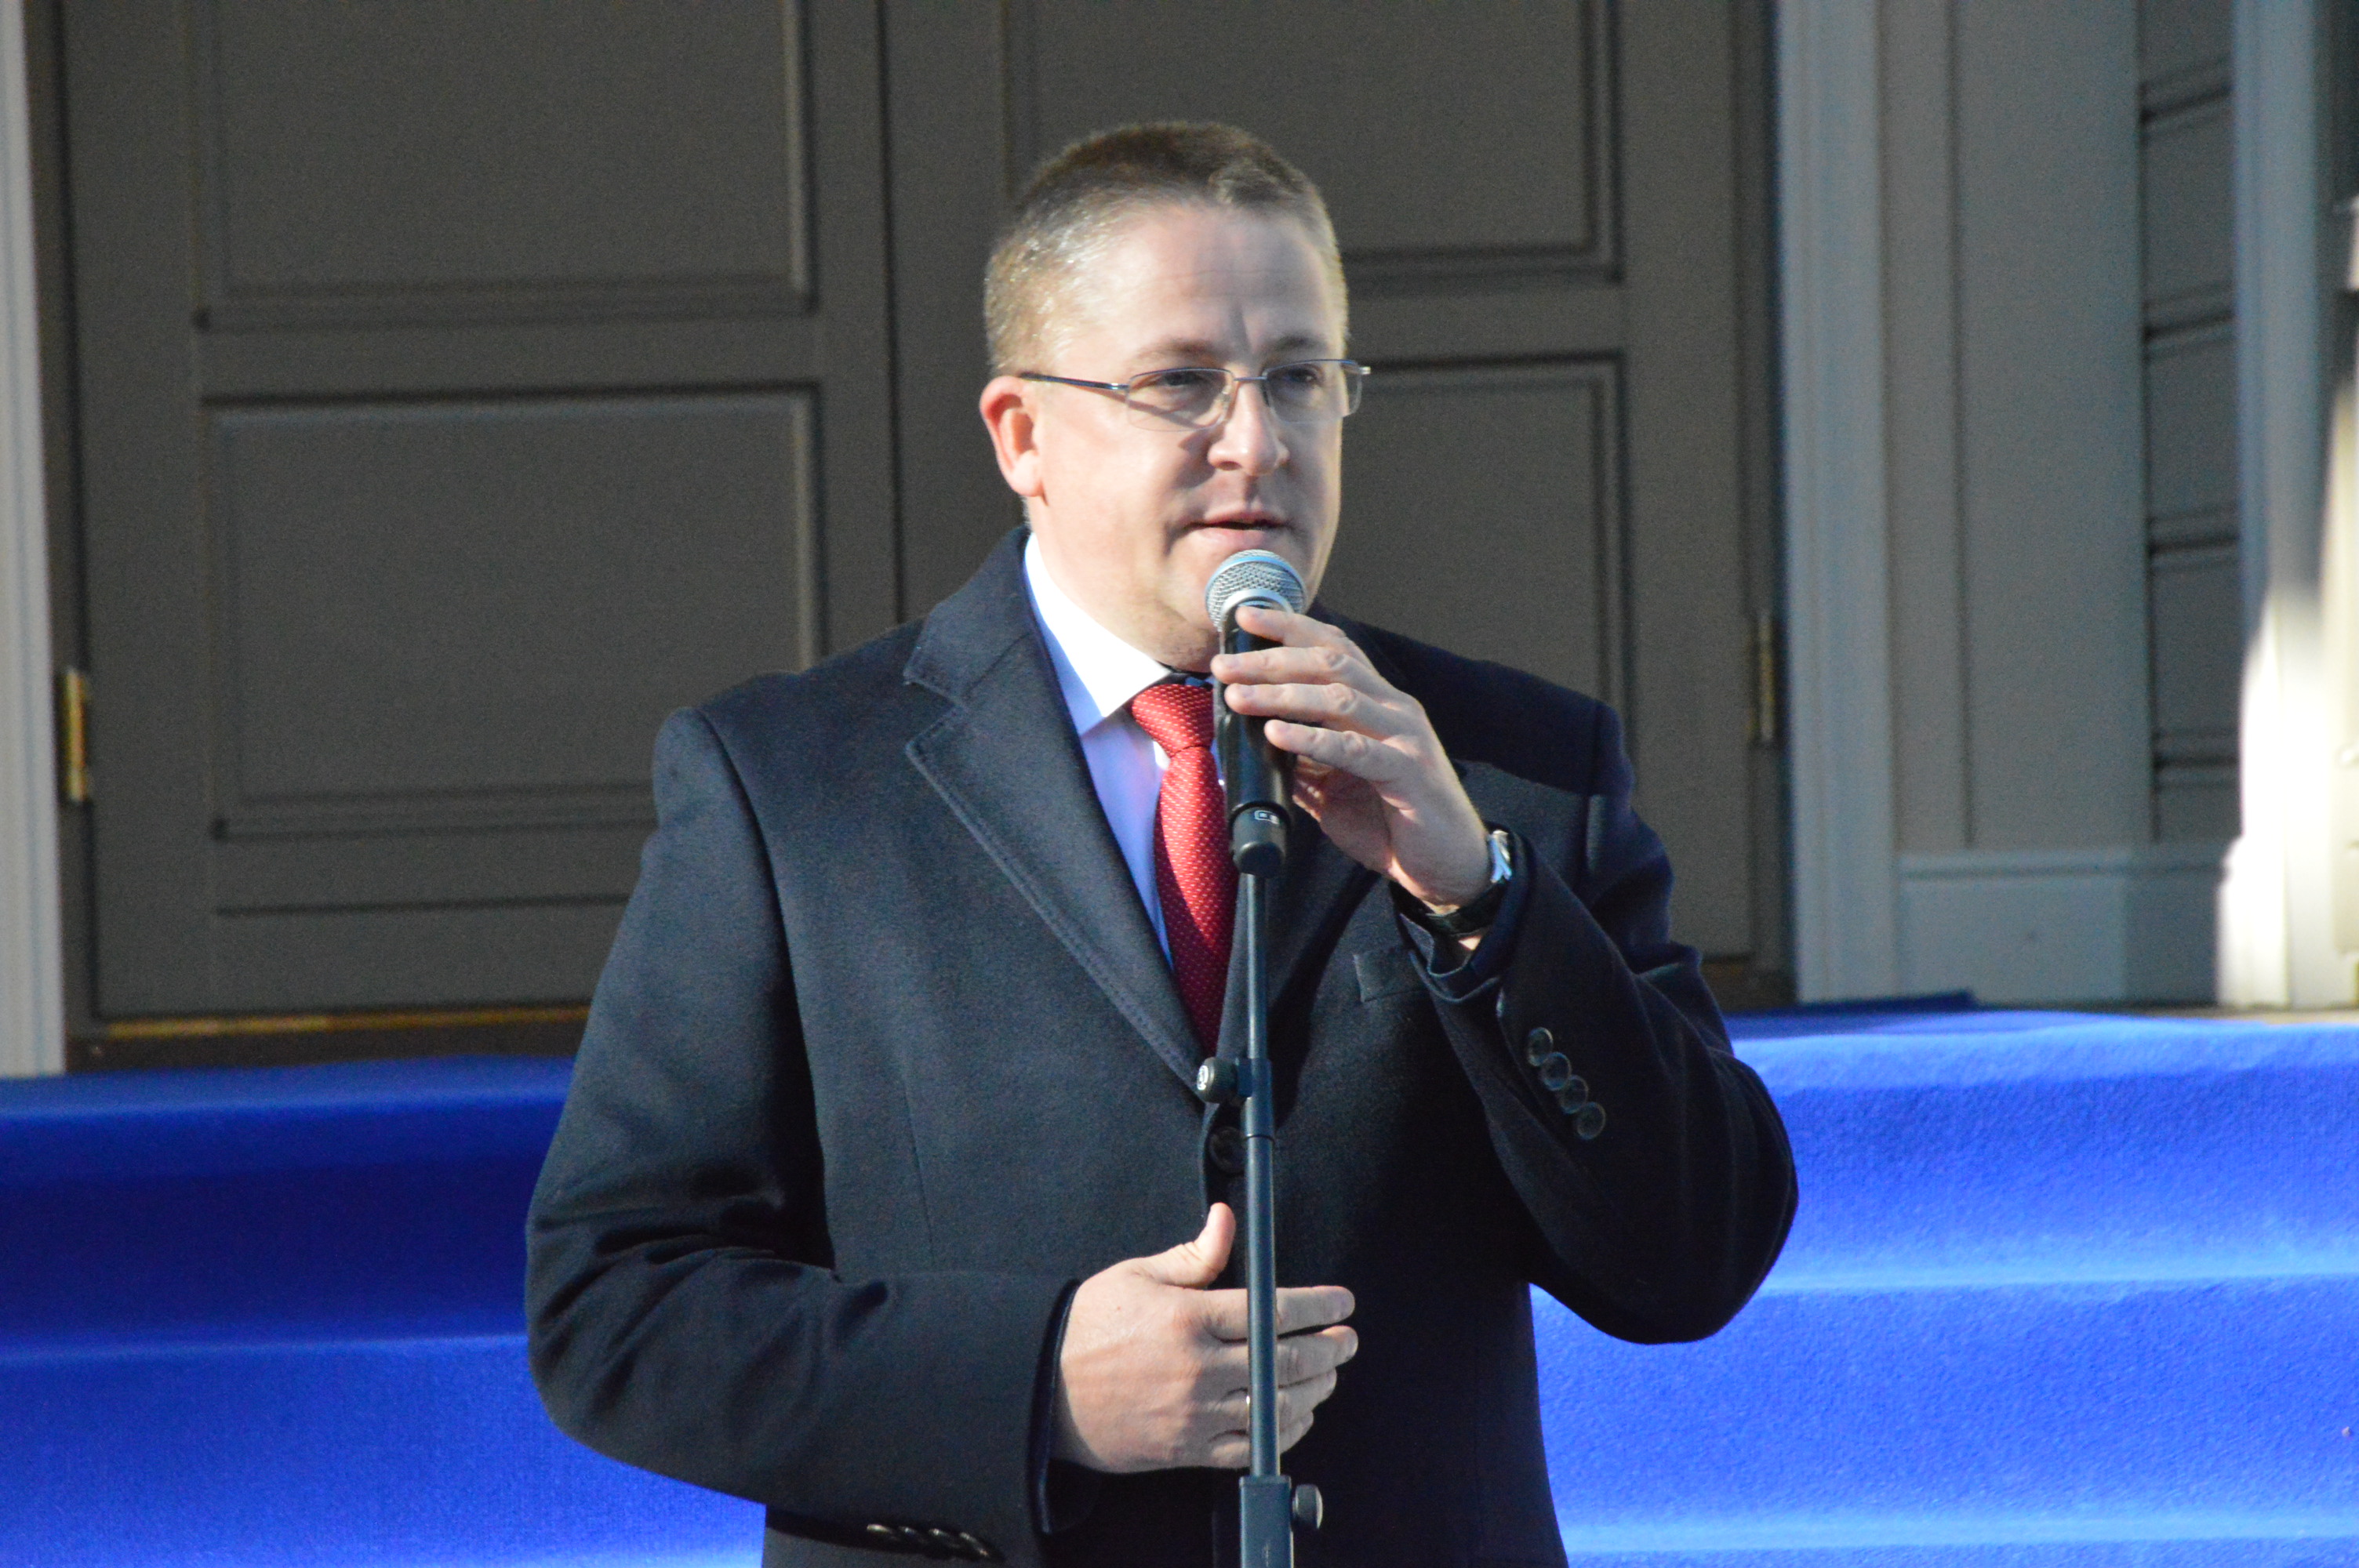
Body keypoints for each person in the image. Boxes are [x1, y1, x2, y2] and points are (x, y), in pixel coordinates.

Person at [526, 123, 1795, 1568]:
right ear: (1023, 435)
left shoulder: (1512, 770)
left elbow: (1693, 1258)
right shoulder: (793, 787)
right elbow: (614, 1307)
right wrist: (1036, 1388)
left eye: (1300, 378)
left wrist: (1478, 902)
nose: (1257, 442)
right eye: (1181, 382)